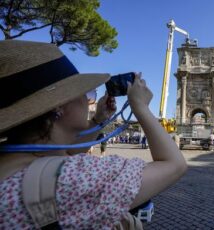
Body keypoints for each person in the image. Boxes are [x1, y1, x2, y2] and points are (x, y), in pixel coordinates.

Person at [0, 40, 187, 229]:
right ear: (59, 105)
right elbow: (174, 165)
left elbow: (69, 151)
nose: (89, 100)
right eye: (86, 93)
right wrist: (141, 107)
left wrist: (98, 120)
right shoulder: (73, 177)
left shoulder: (13, 159)